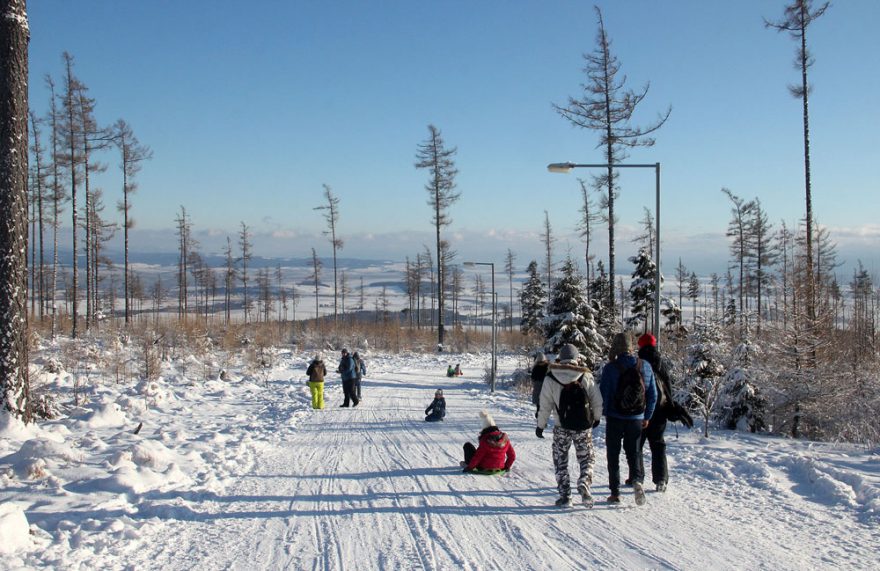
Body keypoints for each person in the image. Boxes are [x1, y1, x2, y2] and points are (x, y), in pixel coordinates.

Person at [536, 344, 603, 507]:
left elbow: (545, 405)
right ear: (576, 358)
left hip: (561, 426)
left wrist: (541, 425)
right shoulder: (585, 376)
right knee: (587, 457)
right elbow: (597, 401)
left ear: (560, 357)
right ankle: (584, 482)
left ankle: (565, 496)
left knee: (560, 461)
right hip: (582, 426)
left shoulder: (550, 377)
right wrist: (597, 418)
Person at [600, 332, 657, 506]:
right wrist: (647, 416)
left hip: (615, 418)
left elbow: (604, 394)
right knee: (634, 452)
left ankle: (615, 493)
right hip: (636, 418)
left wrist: (604, 412)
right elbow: (653, 395)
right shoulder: (645, 366)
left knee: (613, 454)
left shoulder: (610, 368)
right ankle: (637, 481)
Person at [635, 333, 675, 492]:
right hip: (660, 411)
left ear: (641, 345)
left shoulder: (638, 363)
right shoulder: (661, 363)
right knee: (658, 444)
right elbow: (668, 386)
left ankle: (637, 477)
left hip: (641, 410)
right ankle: (661, 480)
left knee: (638, 444)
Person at [462, 410, 516, 474]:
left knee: (467, 445)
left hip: (484, 467)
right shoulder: (505, 439)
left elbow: (478, 456)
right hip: (500, 467)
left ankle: (466, 464)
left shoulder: (486, 439)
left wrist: (470, 468)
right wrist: (507, 466)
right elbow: (512, 456)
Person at [530, 352, 551, 418]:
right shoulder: (548, 366)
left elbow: (533, 378)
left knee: (539, 404)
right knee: (545, 403)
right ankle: (543, 417)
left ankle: (539, 416)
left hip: (537, 388)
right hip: (546, 388)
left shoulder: (535, 367)